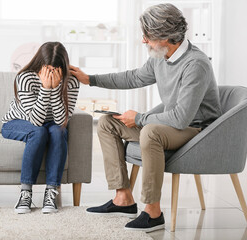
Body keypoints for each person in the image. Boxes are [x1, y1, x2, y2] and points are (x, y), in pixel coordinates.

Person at [70, 3, 221, 232]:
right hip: (173, 124)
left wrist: (140, 118)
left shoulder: (196, 64)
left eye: (147, 36)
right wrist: (90, 79)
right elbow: (134, 78)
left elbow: (181, 119)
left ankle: (153, 212)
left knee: (150, 131)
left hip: (197, 130)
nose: (143, 41)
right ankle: (123, 198)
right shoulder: (161, 56)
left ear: (165, 36)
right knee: (108, 123)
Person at [1, 42, 80, 214]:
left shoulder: (71, 81)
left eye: (55, 70)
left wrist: (56, 87)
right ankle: (25, 193)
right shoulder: (25, 78)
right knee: (38, 131)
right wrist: (45, 88)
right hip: (18, 122)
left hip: (52, 123)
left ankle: (51, 191)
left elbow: (61, 121)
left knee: (59, 131)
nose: (50, 73)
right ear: (39, 64)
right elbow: (35, 120)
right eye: (47, 69)